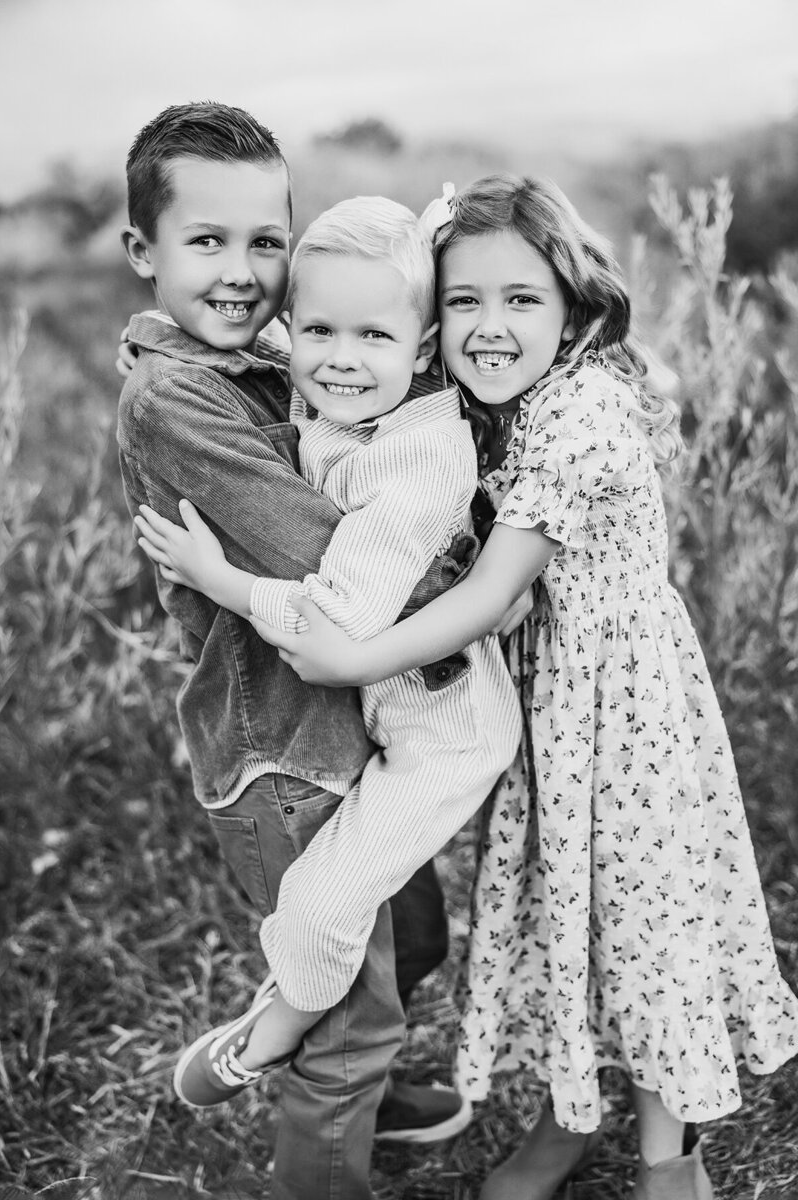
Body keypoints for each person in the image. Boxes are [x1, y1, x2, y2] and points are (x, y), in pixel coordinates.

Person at [248, 174, 798, 1200]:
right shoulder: (496, 395)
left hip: (621, 710)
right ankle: (564, 1116)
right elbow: (351, 349)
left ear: (570, 305)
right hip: (551, 704)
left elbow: (492, 588)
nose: (488, 327)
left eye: (519, 300)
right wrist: (260, 341)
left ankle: (667, 1166)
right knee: (566, 915)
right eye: (462, 302)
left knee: (640, 924)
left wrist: (350, 659)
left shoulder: (578, 411)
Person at [115, 101, 474, 1200]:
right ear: (143, 253)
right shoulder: (175, 398)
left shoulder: (275, 348)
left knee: (404, 928)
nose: (238, 271)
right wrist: (483, 579)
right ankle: (332, 1101)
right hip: (283, 750)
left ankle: (357, 1084)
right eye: (204, 242)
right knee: (347, 997)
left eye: (263, 241)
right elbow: (344, 560)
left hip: (347, 723)